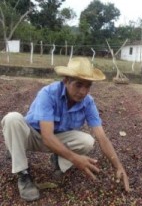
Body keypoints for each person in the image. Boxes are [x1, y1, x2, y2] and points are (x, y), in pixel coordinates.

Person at [1, 57, 130, 201]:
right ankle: (23, 174)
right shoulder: (48, 94)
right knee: (12, 119)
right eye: (78, 85)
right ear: (66, 81)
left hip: (56, 139)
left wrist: (118, 166)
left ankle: (58, 161)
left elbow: (102, 137)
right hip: (32, 136)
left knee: (87, 141)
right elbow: (47, 137)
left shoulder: (88, 103)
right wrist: (75, 159)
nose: (83, 91)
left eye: (88, 86)